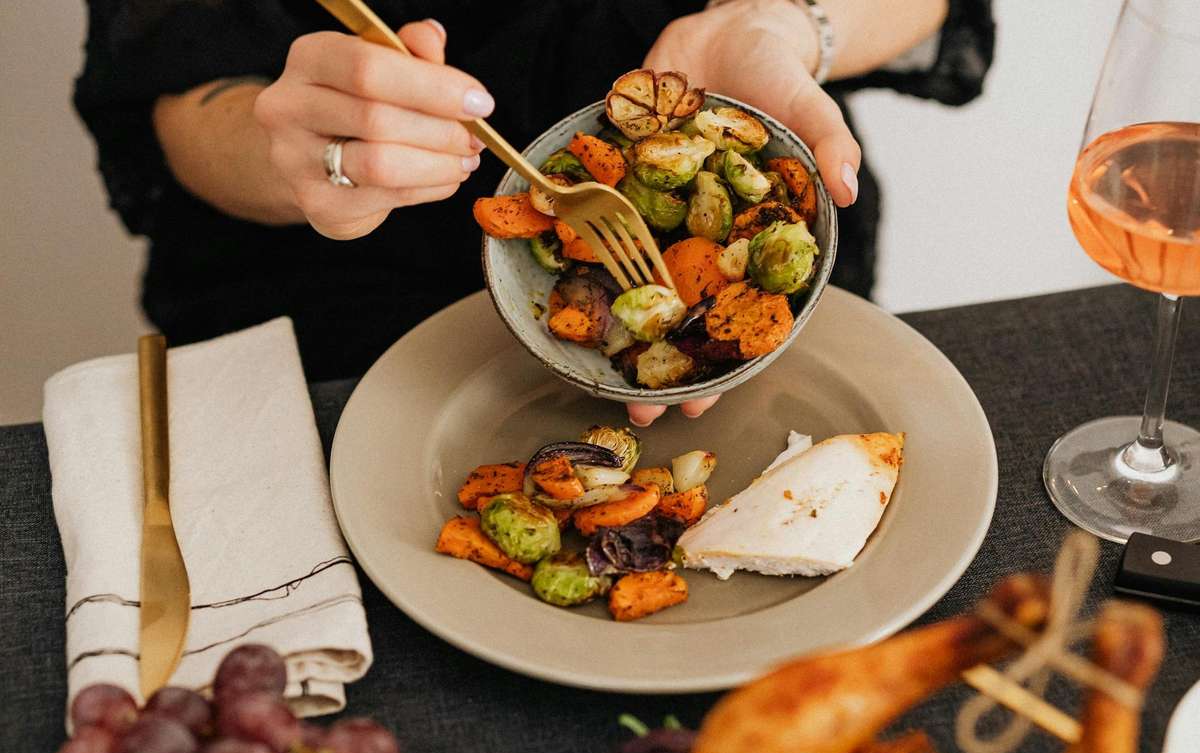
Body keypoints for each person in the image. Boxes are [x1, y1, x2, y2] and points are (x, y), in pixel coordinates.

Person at [75, 0, 993, 425]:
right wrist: (311, 148)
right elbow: (176, 81)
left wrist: (788, 24)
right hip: (330, 320)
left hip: (764, 292)